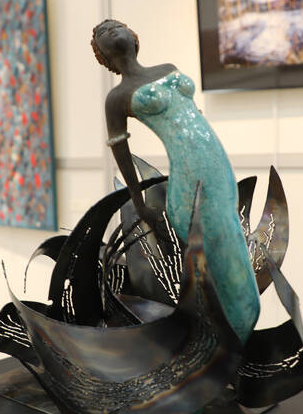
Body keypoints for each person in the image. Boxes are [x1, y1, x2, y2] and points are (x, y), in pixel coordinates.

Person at [91, 19, 260, 343]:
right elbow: (120, 151)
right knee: (213, 247)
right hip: (189, 169)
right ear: (102, 53)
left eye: (116, 25)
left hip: (217, 163)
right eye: (102, 32)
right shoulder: (118, 97)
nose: (110, 29)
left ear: (134, 36)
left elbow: (195, 116)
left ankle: (240, 328)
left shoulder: (168, 68)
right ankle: (227, 335)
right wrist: (139, 204)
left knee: (232, 238)